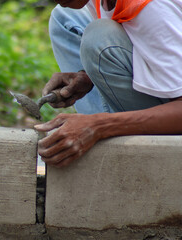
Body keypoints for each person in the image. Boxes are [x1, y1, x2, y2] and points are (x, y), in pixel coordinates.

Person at [35, 0, 182, 168]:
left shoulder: (153, 9)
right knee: (65, 18)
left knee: (98, 37)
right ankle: (89, 137)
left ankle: (101, 143)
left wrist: (100, 125)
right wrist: (88, 76)